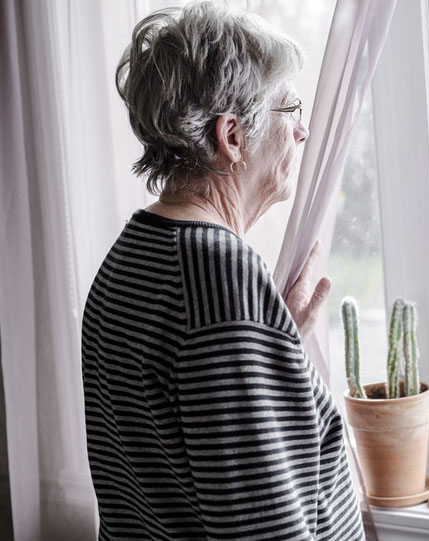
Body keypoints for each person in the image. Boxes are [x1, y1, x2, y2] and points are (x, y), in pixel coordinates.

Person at [81, 2, 366, 539]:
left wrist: (271, 347)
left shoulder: (130, 255)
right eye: (291, 110)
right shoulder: (219, 278)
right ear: (232, 136)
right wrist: (247, 326)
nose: (303, 133)